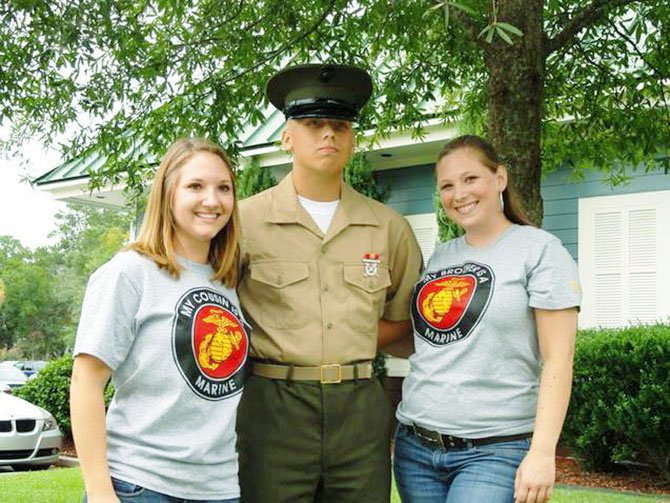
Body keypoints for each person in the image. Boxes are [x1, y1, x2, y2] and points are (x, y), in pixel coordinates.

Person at [236, 64, 423, 503]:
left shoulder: (387, 227)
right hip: (273, 405)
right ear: (287, 137)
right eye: (313, 124)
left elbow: (405, 324)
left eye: (339, 125)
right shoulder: (243, 222)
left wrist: (343, 337)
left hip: (359, 406)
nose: (328, 135)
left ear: (353, 140)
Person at [394, 135, 581, 503]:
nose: (458, 193)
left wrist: (542, 453)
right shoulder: (441, 256)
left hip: (495, 450)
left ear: (500, 178)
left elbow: (559, 359)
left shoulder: (540, 251)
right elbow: (429, 344)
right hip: (416, 446)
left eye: (470, 179)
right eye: (447, 185)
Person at [70, 137, 250, 503]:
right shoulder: (130, 272)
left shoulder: (228, 280)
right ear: (168, 195)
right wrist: (100, 491)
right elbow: (86, 382)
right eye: (195, 187)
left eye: (224, 188)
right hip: (140, 485)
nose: (212, 201)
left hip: (218, 488)